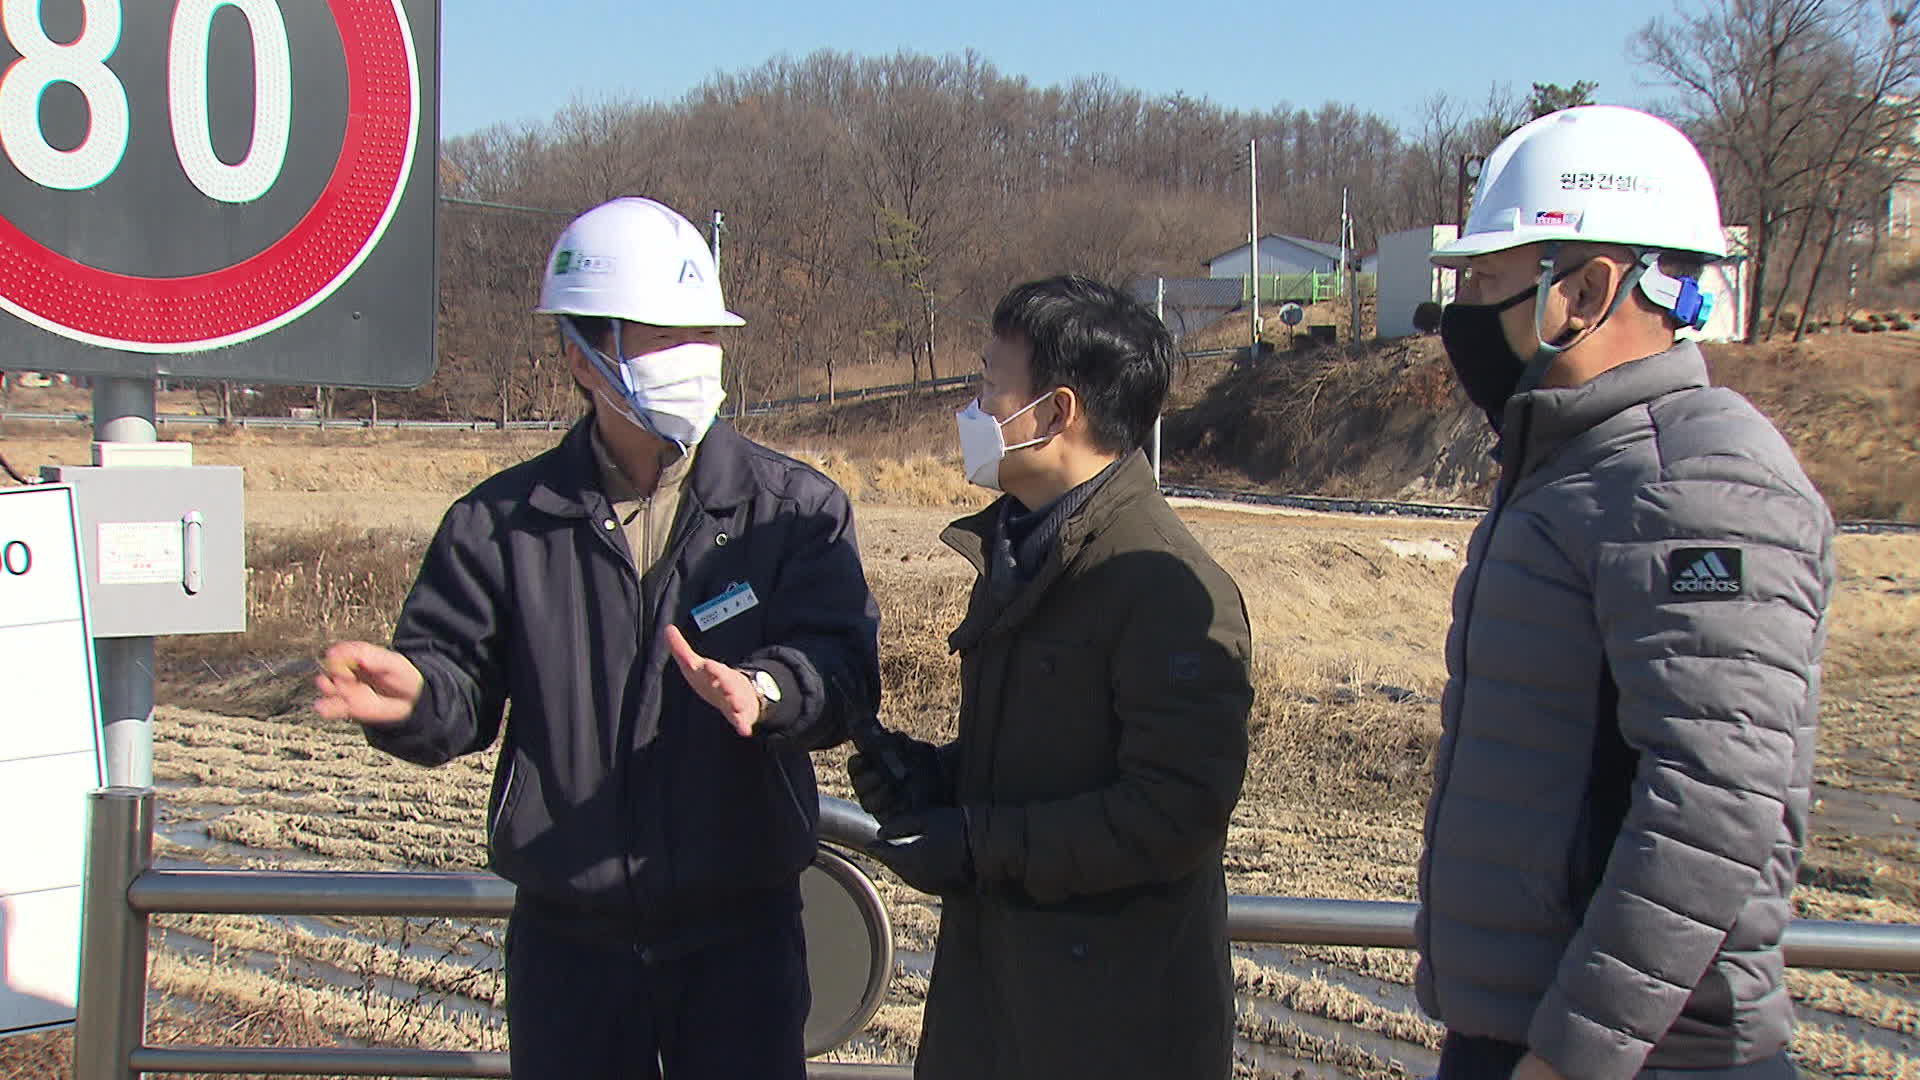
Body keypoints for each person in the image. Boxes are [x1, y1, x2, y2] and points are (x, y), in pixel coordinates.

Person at [312, 196, 881, 1080]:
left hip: (742, 935)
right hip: (569, 941)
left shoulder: (794, 511)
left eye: (703, 334)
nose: (693, 360)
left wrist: (766, 693)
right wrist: (417, 698)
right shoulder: (500, 522)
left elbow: (842, 672)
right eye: (660, 338)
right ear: (583, 357)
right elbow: (457, 689)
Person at [1418, 106, 1835, 1080]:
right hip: (1535, 1034)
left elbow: (1714, 796)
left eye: (1488, 279)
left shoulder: (1693, 478)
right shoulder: (1573, 465)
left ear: (1590, 289)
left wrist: (1574, 1054)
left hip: (1638, 1055)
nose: (1463, 312)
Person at [847, 275, 1254, 1080]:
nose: (973, 408)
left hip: (1111, 1028)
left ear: (1057, 411)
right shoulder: (1024, 546)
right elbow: (1048, 757)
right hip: (997, 1006)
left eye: (990, 385)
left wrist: (976, 845)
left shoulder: (1165, 584)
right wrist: (937, 781)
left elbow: (1175, 812)